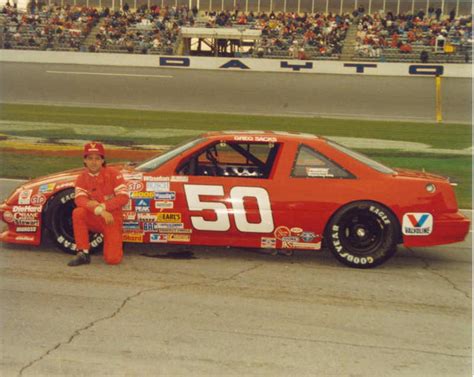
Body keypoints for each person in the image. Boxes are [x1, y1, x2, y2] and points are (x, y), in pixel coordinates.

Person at [68, 142, 128, 267]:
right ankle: (83, 253)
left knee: (113, 260)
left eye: (97, 158)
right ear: (84, 160)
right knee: (78, 212)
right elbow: (80, 200)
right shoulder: (81, 178)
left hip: (111, 218)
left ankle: (114, 242)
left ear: (102, 160)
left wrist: (103, 207)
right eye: (90, 158)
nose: (93, 162)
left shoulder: (114, 174)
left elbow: (123, 197)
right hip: (95, 216)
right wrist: (99, 210)